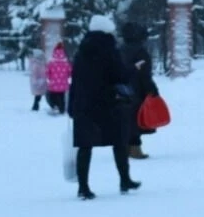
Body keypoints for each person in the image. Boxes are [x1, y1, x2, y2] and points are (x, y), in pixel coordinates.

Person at [67, 15, 140, 200]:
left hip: (84, 105)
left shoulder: (81, 51)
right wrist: (134, 69)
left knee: (85, 146)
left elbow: (75, 80)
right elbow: (119, 76)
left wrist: (72, 105)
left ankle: (83, 188)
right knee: (119, 142)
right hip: (109, 103)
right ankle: (125, 180)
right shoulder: (109, 49)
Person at [120, 21, 159, 159]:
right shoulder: (141, 52)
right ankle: (135, 149)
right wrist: (152, 90)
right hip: (138, 90)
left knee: (126, 120)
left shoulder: (119, 49)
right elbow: (145, 75)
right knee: (137, 120)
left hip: (121, 90)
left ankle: (126, 148)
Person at [45, 43, 72, 114]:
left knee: (53, 95)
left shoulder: (51, 62)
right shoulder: (66, 63)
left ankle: (54, 106)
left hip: (53, 84)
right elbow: (70, 72)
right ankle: (62, 109)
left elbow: (47, 72)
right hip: (63, 84)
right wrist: (66, 77)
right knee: (61, 96)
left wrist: (50, 78)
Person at [29, 45, 48, 111]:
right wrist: (39, 82)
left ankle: (35, 106)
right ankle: (35, 107)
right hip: (38, 83)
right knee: (38, 96)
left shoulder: (40, 63)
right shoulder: (36, 65)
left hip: (42, 82)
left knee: (39, 96)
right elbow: (34, 75)